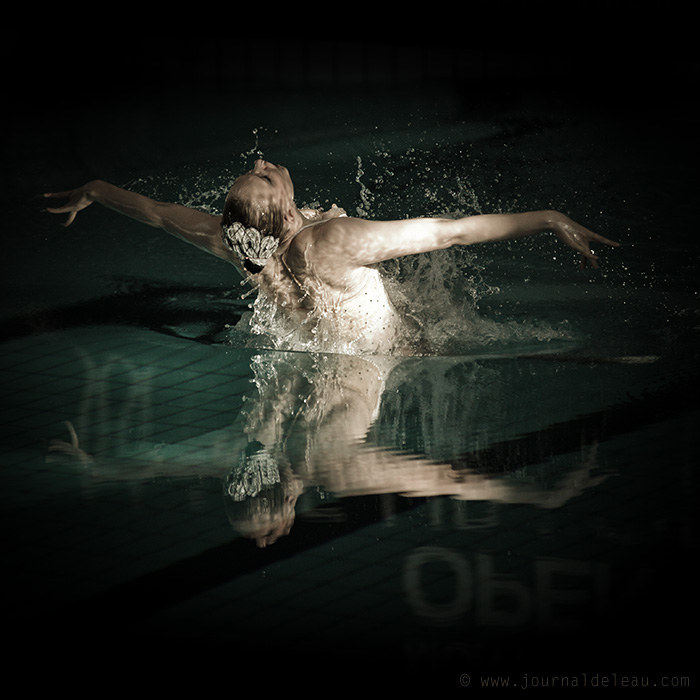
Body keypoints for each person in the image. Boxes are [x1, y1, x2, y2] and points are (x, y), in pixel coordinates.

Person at [44, 159, 619, 355]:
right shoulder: (332, 241)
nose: (266, 160)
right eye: (264, 173)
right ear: (290, 212)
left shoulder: (237, 241)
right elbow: (449, 234)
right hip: (401, 351)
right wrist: (548, 218)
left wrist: (95, 190)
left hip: (319, 349)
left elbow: (156, 212)